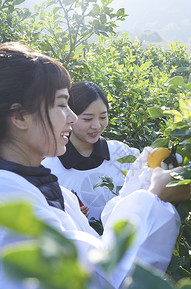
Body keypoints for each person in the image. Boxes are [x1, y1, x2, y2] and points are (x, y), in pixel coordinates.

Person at [0, 41, 191, 289]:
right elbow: (89, 284)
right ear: (20, 117)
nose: (71, 117)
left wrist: (144, 186)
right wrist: (155, 199)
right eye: (61, 105)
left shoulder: (39, 187)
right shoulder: (3, 197)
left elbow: (99, 254)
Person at [42, 81, 140, 224]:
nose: (97, 126)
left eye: (103, 117)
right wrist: (69, 217)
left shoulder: (122, 153)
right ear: (69, 117)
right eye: (87, 119)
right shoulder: (50, 169)